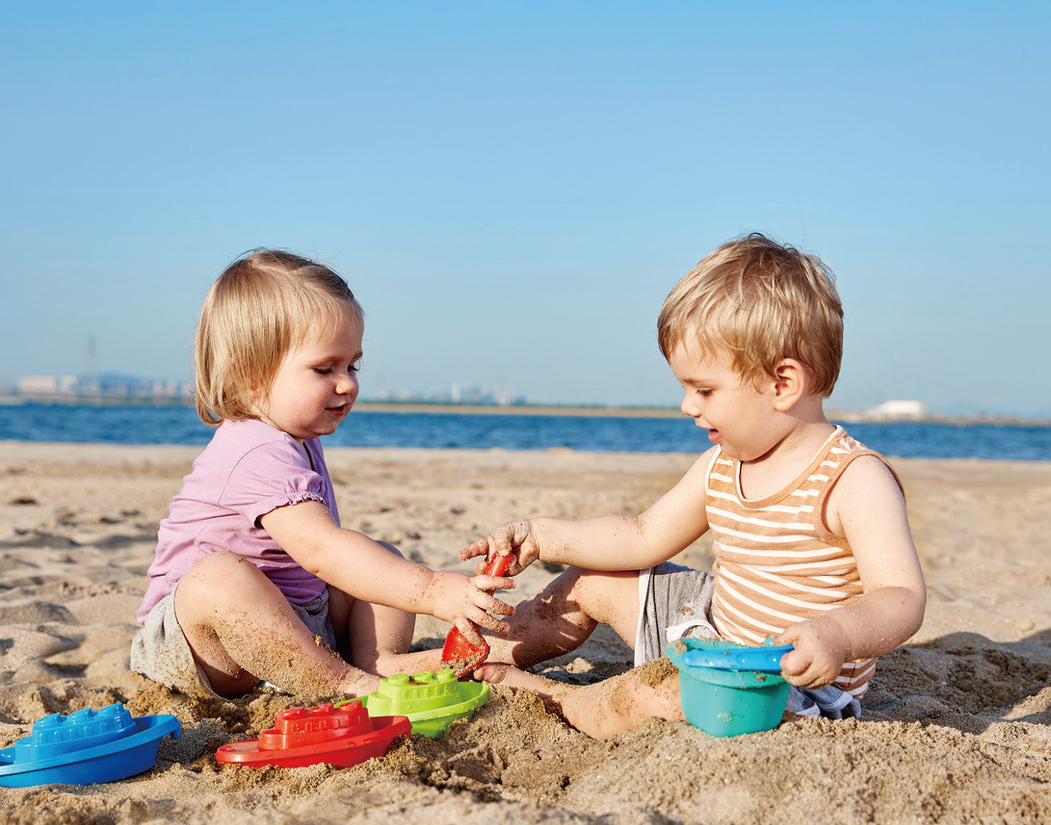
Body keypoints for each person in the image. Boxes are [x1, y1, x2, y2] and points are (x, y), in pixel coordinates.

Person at [465, 233, 926, 737]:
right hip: (713, 635)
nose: (688, 405)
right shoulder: (720, 464)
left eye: (704, 389)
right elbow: (642, 536)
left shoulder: (853, 479)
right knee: (594, 578)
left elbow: (901, 596)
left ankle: (560, 699)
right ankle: (491, 652)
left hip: (791, 683)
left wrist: (837, 633)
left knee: (662, 693)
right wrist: (545, 536)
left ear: (782, 384)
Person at [132, 249, 512, 700]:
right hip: (202, 644)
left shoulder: (297, 436)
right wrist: (432, 590)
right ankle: (344, 681)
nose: (348, 382)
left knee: (377, 554)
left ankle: (376, 661)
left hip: (293, 622)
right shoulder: (254, 448)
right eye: (324, 368)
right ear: (250, 376)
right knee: (220, 577)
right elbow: (321, 550)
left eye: (352, 365)